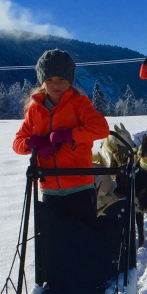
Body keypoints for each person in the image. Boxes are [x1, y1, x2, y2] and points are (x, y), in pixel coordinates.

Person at [13, 49, 109, 223]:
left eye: (61, 79)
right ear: (42, 81)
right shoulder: (35, 110)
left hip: (80, 187)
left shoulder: (79, 104)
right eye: (49, 80)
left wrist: (69, 135)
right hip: (50, 189)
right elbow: (17, 143)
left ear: (70, 80)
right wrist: (34, 143)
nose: (55, 84)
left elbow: (101, 128)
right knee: (55, 243)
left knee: (83, 238)